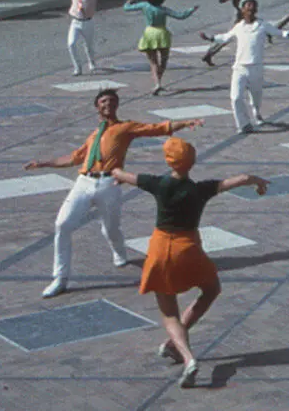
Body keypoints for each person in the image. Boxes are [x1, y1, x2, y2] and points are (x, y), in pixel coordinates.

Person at [108, 138, 266, 388]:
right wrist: (258, 181)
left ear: (168, 160)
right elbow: (241, 178)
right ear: (191, 161)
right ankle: (173, 345)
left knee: (169, 312)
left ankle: (188, 357)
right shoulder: (201, 189)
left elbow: (123, 174)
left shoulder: (157, 183)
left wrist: (115, 172)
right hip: (189, 248)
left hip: (161, 249)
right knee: (211, 289)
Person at [22, 90, 204, 298]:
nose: (108, 104)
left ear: (117, 106)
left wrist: (185, 123)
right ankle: (60, 278)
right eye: (103, 101)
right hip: (84, 182)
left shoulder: (125, 127)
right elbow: (73, 159)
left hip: (109, 183)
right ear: (97, 107)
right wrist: (43, 163)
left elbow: (156, 128)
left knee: (110, 228)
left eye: (112, 101)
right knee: (62, 225)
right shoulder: (94, 135)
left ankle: (119, 252)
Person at [199, 0, 289, 133]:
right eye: (248, 6)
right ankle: (243, 124)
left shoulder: (263, 25)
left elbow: (279, 33)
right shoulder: (238, 27)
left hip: (256, 67)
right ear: (242, 10)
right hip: (239, 68)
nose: (251, 9)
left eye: (253, 7)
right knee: (235, 97)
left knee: (256, 96)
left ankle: (256, 113)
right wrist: (210, 38)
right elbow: (225, 37)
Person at [45, 0, 127, 75]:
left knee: (88, 45)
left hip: (88, 22)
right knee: (71, 44)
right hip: (75, 21)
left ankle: (91, 63)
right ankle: (77, 67)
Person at [124, 0, 198, 94]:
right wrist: (191, 9)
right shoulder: (164, 9)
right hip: (162, 34)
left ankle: (157, 83)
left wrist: (128, 2)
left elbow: (127, 8)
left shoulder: (145, 5)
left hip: (149, 33)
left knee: (153, 62)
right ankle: (159, 81)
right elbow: (180, 16)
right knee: (163, 60)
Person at [201, 0, 251, 67]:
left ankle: (210, 53)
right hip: (240, 17)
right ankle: (210, 53)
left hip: (246, 17)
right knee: (229, 37)